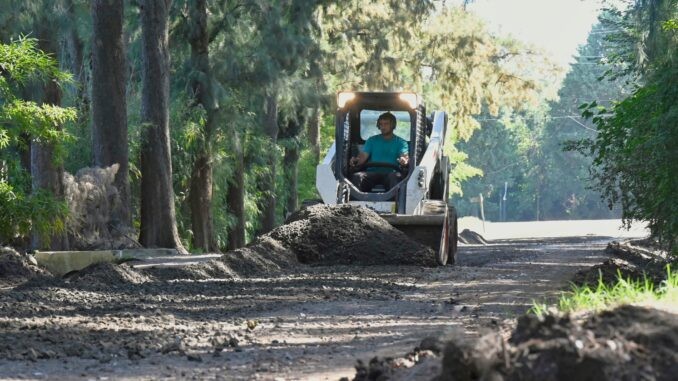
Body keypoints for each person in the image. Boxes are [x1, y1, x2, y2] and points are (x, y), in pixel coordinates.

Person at [349, 112, 409, 192]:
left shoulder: (401, 142)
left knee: (396, 177)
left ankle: (396, 203)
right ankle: (355, 202)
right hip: (373, 173)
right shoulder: (371, 140)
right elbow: (363, 156)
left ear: (393, 125)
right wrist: (356, 161)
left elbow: (404, 156)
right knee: (357, 177)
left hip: (391, 173)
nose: (383, 127)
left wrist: (404, 161)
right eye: (381, 124)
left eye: (386, 124)